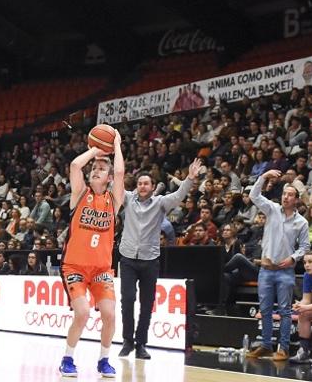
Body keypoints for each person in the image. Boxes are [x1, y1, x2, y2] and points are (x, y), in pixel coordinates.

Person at [118, 158, 203, 360]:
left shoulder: (160, 203)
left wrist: (190, 178)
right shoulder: (128, 199)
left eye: (146, 183)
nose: (142, 186)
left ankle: (141, 344)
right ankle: (127, 341)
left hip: (150, 261)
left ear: (153, 186)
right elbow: (115, 182)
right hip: (128, 259)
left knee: (147, 304)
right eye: (139, 183)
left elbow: (179, 194)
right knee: (127, 300)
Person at [58, 130, 124, 378]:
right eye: (94, 168)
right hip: (74, 267)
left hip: (101, 269)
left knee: (109, 314)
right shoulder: (80, 193)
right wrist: (96, 150)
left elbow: (120, 172)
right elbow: (76, 164)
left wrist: (115, 145)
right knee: (83, 312)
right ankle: (67, 358)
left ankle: (104, 360)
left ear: (108, 178)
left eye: (101, 168)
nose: (96, 170)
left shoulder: (114, 199)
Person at [246, 169, 310, 361]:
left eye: (290, 195)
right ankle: (266, 345)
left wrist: (294, 258)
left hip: (285, 270)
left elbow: (306, 246)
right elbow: (253, 195)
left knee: (284, 311)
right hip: (266, 269)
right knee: (264, 309)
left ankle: (283, 347)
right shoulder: (271, 209)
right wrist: (264, 176)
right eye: (284, 194)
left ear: (297, 199)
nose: (286, 197)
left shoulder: (302, 222)